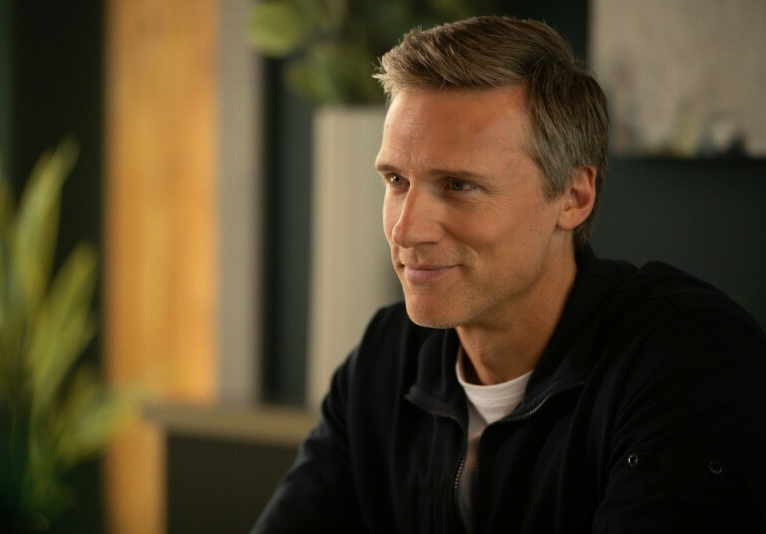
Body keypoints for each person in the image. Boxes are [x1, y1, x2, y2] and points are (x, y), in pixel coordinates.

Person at [252, 15, 766, 533]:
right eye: (396, 180)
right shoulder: (386, 358)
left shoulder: (689, 358)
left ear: (573, 197)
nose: (406, 229)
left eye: (458, 185)